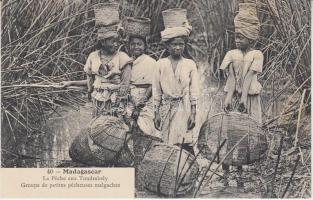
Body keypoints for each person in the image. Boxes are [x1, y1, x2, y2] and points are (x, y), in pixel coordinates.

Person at [219, 2, 263, 188]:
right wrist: (229, 98)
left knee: (246, 131)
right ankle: (226, 167)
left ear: (251, 38)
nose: (237, 40)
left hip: (249, 98)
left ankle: (242, 168)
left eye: (241, 37)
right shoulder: (231, 53)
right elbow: (230, 77)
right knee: (231, 130)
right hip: (235, 96)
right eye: (236, 36)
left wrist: (244, 98)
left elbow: (248, 78)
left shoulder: (257, 54)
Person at [153, 8, 200, 155]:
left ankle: (190, 171)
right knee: (168, 142)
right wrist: (156, 113)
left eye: (181, 44)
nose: (178, 47)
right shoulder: (160, 64)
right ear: (167, 46)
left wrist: (193, 113)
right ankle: (170, 173)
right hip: (167, 107)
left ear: (185, 45)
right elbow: (156, 90)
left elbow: (194, 91)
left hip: (183, 107)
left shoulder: (190, 64)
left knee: (185, 141)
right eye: (174, 44)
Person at [61, 25, 133, 117]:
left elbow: (125, 86)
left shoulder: (123, 58)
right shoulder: (93, 57)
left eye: (118, 41)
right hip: (97, 102)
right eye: (113, 41)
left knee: (111, 128)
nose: (116, 44)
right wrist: (70, 83)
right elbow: (93, 82)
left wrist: (118, 107)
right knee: (96, 127)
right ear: (103, 42)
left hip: (115, 104)